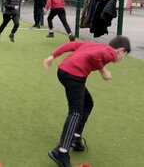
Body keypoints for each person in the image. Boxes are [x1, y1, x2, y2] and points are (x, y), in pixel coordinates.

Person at [43, 36, 131, 167]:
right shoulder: (111, 54)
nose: (122, 59)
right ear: (121, 51)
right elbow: (93, 56)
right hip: (73, 75)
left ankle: (76, 138)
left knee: (87, 103)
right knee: (75, 112)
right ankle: (61, 152)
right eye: (125, 56)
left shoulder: (96, 45)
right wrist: (103, 71)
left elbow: (71, 45)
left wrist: (52, 56)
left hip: (64, 71)